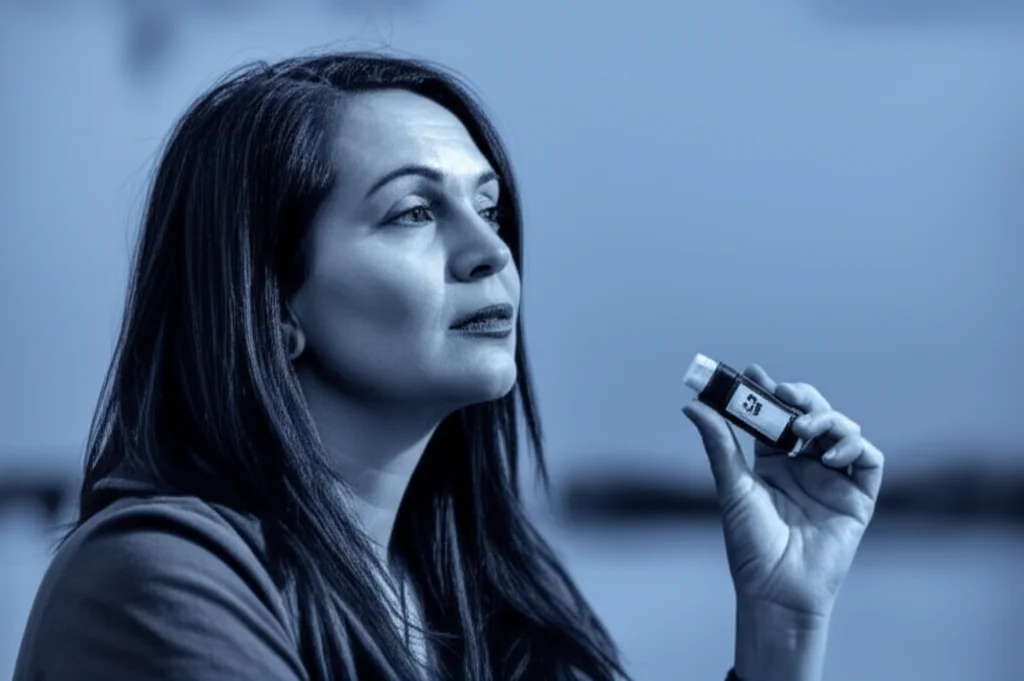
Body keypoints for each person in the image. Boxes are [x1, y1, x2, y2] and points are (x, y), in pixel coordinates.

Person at [12, 52, 884, 681]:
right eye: (413, 213)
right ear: (270, 302)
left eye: (489, 207)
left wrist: (782, 621)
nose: (491, 254)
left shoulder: (488, 605)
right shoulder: (159, 579)